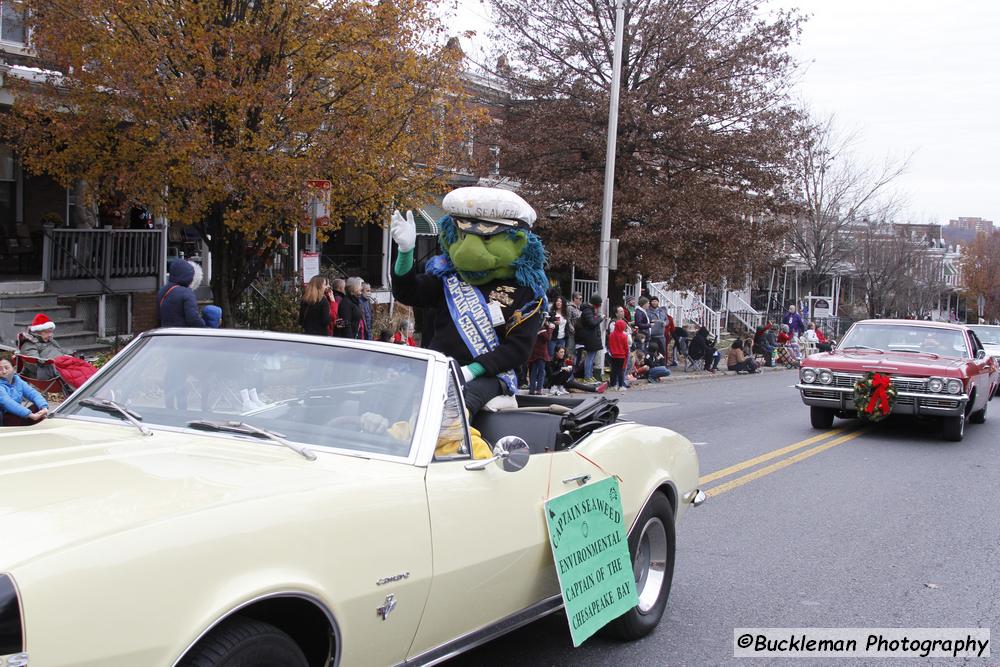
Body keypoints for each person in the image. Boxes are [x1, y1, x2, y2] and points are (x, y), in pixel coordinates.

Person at [0, 354, 49, 425]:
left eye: (7, 368)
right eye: (0, 369)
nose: (4, 371)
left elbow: (33, 394)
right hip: (4, 418)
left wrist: (44, 407)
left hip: (16, 415)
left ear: (14, 368)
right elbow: (7, 403)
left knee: (39, 407)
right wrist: (30, 414)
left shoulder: (18, 380)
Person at [18, 313, 68, 380]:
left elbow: (60, 351)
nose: (50, 335)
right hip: (51, 372)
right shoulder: (29, 344)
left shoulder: (51, 341)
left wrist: (69, 355)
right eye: (47, 332)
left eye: (51, 332)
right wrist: (57, 366)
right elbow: (34, 367)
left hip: (62, 366)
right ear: (37, 332)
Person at [158, 259, 205, 328]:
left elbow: (158, 316)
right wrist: (205, 327)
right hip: (181, 333)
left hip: (165, 332)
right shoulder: (187, 293)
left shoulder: (162, 290)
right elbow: (193, 318)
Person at [577, 294, 605, 382]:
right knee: (589, 357)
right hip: (590, 337)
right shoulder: (588, 311)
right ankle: (587, 376)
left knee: (591, 357)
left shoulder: (590, 310)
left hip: (592, 336)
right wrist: (600, 318)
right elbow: (592, 323)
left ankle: (589, 375)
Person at [527, 320, 554, 395]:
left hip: (534, 351)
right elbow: (548, 338)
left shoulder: (534, 326)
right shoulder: (541, 328)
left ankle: (532, 389)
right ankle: (539, 389)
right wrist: (550, 328)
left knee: (534, 371)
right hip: (541, 352)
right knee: (542, 371)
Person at [608, 319, 630, 391]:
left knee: (613, 371)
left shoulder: (611, 335)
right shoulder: (624, 336)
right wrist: (627, 355)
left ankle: (613, 385)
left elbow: (610, 346)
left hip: (613, 355)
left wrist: (611, 352)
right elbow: (626, 348)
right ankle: (620, 386)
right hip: (622, 356)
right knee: (621, 371)